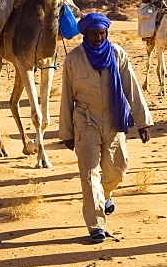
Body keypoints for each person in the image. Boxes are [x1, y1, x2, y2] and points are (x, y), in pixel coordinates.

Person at [60, 13, 153, 243]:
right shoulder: (74, 59)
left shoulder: (117, 53)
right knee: (90, 175)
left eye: (102, 34)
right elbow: (66, 97)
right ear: (85, 34)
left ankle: (106, 195)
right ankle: (96, 225)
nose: (98, 38)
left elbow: (131, 87)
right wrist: (67, 133)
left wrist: (142, 121)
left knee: (117, 171)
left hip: (114, 120)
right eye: (94, 34)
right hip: (85, 120)